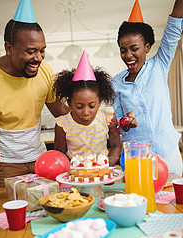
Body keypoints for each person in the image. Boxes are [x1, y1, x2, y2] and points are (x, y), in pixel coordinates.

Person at [0, 1, 69, 202]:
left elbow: (61, 112)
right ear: (9, 48)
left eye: (42, 50)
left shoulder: (45, 71)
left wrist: (90, 114)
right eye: (31, 51)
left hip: (41, 159)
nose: (38, 58)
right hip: (7, 166)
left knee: (48, 208)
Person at [112, 0, 183, 175]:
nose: (128, 55)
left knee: (174, 199)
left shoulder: (159, 65)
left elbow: (174, 27)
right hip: (137, 156)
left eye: (134, 48)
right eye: (123, 50)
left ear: (147, 47)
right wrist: (126, 123)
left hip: (168, 151)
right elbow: (117, 124)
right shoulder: (115, 84)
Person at [53, 50, 137, 166]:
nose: (86, 112)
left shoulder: (107, 117)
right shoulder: (62, 124)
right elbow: (59, 155)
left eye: (92, 106)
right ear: (69, 103)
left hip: (102, 172)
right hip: (76, 175)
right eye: (79, 106)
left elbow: (116, 145)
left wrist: (107, 165)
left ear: (99, 102)